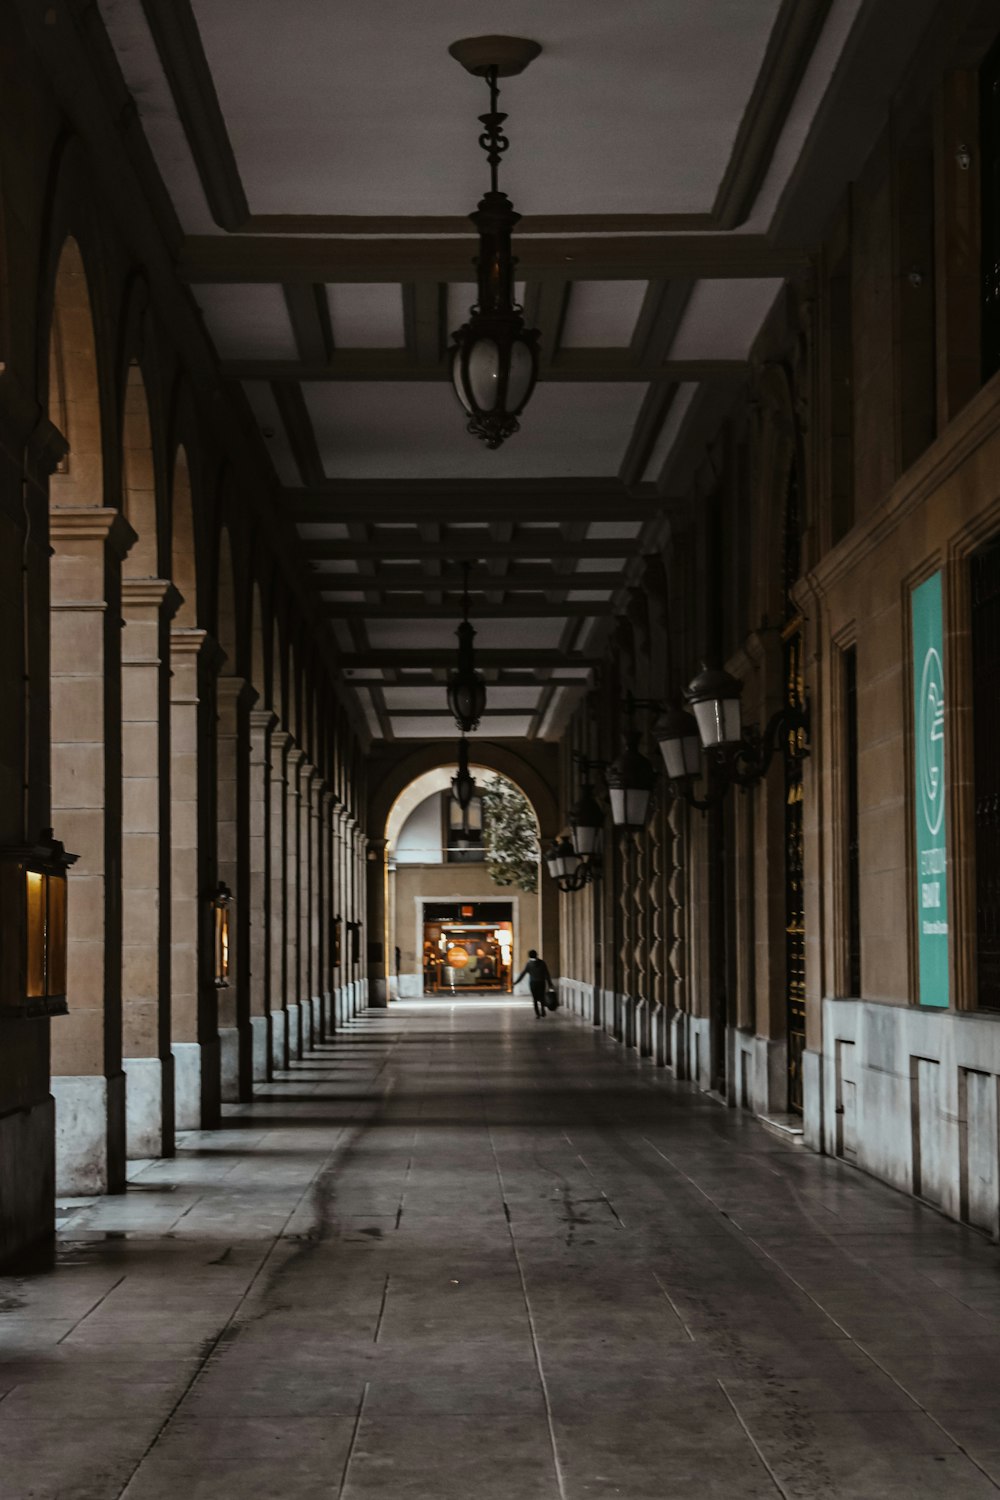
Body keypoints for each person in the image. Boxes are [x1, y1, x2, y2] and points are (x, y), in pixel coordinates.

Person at [513, 949, 554, 1018]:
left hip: (533, 983)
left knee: (535, 999)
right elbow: (547, 974)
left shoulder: (529, 964)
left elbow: (522, 974)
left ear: (529, 956)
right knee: (542, 997)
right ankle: (543, 1011)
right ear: (536, 955)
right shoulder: (542, 963)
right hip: (541, 982)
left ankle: (537, 1014)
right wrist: (550, 983)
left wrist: (516, 982)